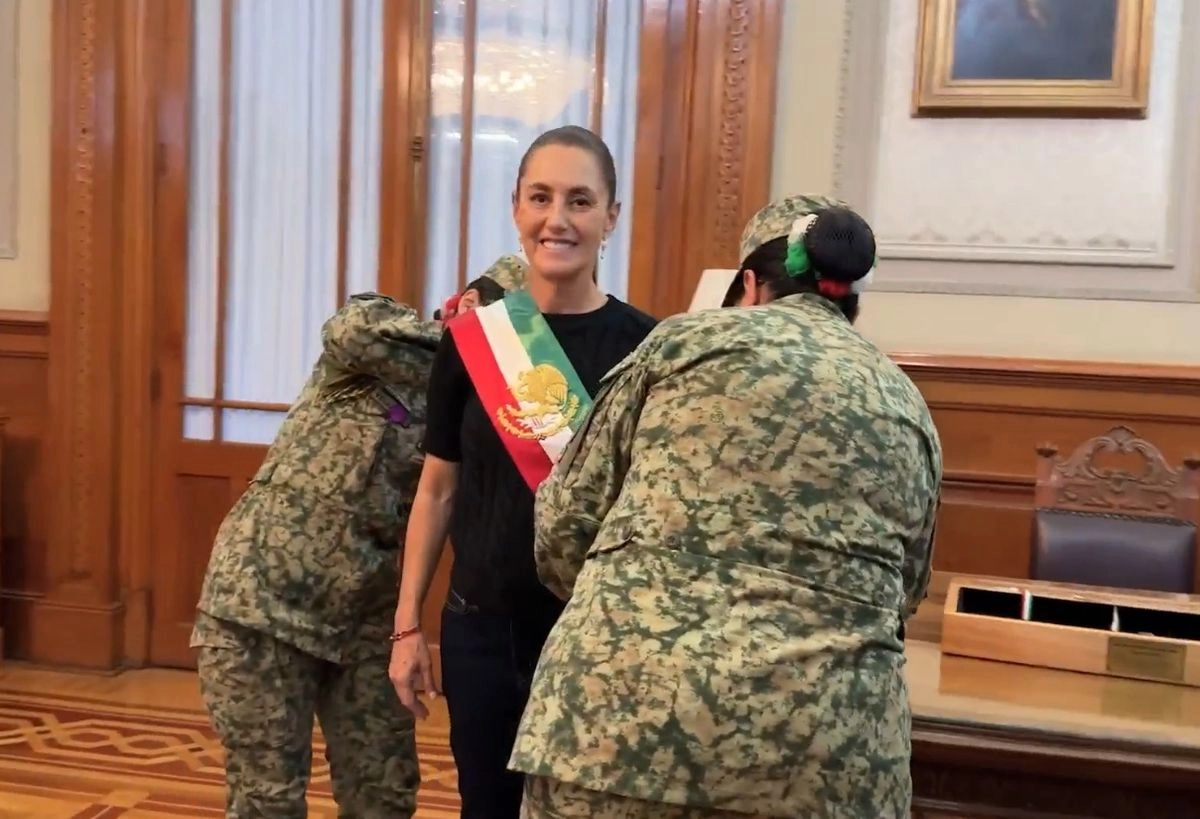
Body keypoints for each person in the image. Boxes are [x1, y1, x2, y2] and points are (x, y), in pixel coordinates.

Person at [508, 194, 943, 819]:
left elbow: (563, 524)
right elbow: (904, 593)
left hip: (618, 730)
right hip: (829, 761)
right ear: (851, 300)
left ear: (750, 285)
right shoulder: (907, 405)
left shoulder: (683, 342)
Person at [388, 125, 657, 819]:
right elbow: (437, 489)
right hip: (481, 628)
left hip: (594, 635)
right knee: (487, 806)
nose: (556, 218)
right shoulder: (473, 342)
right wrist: (407, 626)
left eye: (579, 201)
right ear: (516, 209)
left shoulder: (648, 348)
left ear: (610, 217)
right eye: (540, 197)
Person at [192, 259, 519, 818]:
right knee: (267, 801)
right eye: (490, 312)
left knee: (384, 795)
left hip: (366, 622)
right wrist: (463, 349)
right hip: (260, 605)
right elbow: (346, 328)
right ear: (464, 303)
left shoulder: (488, 407)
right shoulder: (380, 339)